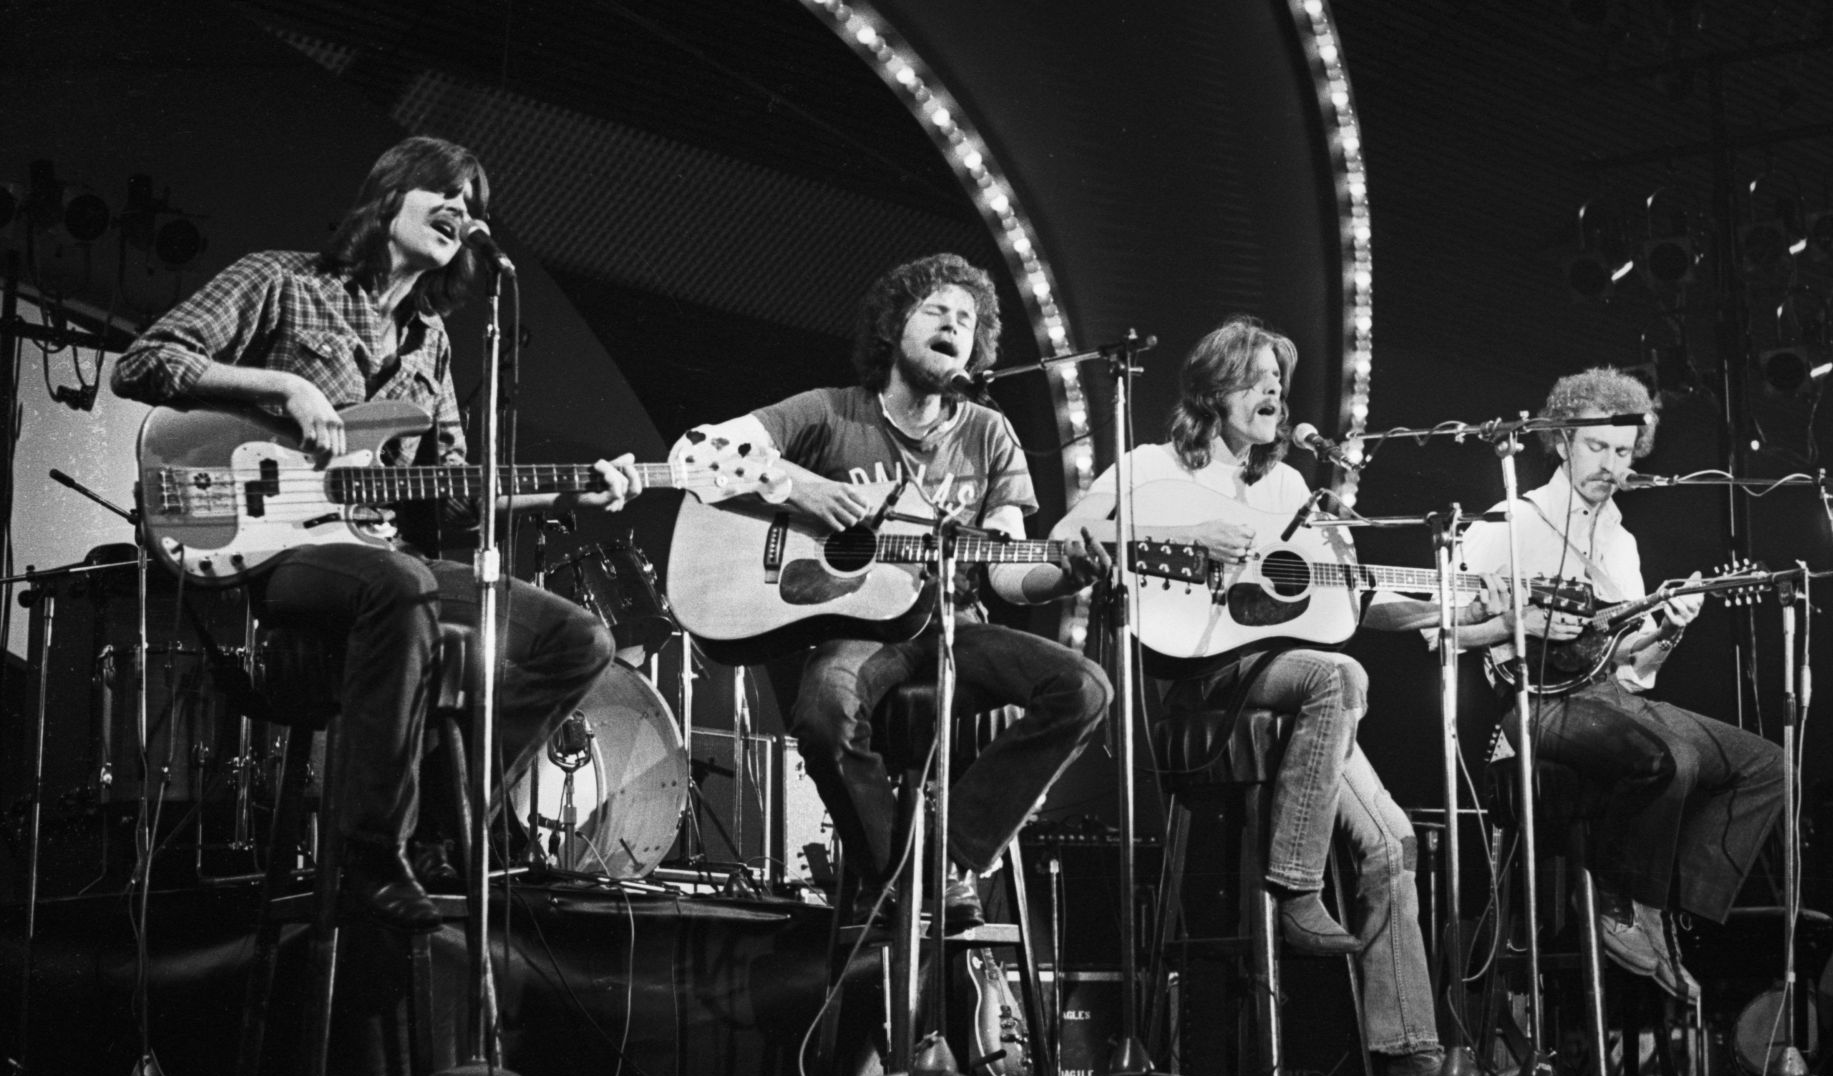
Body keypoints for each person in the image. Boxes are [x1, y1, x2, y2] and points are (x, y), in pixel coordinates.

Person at [113, 136, 644, 932]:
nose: (464, 213)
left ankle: (439, 824)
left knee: (578, 639)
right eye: (447, 193)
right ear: (389, 196)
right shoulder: (281, 279)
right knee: (405, 583)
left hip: (379, 558)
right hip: (282, 556)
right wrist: (285, 386)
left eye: (476, 207)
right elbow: (145, 361)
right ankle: (367, 859)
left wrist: (572, 487)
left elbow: (458, 499)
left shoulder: (431, 343)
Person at [1054, 316, 1478, 1076]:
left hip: (1292, 694)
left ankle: (1411, 1052)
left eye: (1279, 382)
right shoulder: (1150, 467)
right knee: (1338, 678)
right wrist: (1192, 531)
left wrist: (1458, 608)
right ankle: (1294, 887)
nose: (1274, 393)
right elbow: (1071, 535)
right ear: (1212, 389)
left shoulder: (1288, 487)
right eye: (1257, 378)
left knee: (1392, 843)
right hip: (1201, 686)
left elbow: (1339, 597)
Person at [680, 253, 1112, 926]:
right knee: (822, 714)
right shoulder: (830, 414)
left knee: (1084, 688)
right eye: (936, 310)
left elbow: (1007, 569)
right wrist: (807, 488)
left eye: (966, 319)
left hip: (956, 626)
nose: (953, 325)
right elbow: (695, 454)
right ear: (893, 327)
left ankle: (947, 859)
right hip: (862, 631)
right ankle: (893, 874)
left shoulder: (988, 434)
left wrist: (1067, 571)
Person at [1456, 367, 1786, 999]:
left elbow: (1626, 658)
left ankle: (1664, 908)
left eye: (1624, 451)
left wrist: (1669, 625)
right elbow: (1439, 631)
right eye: (1597, 447)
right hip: (1535, 703)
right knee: (1672, 759)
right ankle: (1614, 905)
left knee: (1768, 765)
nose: (1611, 463)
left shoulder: (1623, 541)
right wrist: (1513, 621)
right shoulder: (1509, 523)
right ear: (1561, 441)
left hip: (1611, 696)